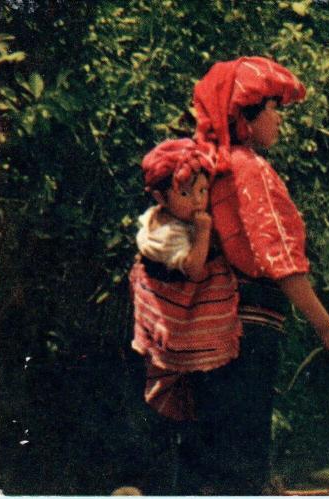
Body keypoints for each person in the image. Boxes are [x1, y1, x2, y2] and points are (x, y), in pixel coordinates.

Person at [192, 56, 329, 494]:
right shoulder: (250, 169)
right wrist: (327, 327)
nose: (279, 118)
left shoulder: (211, 166)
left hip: (210, 325)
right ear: (246, 116)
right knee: (244, 450)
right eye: (272, 107)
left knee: (212, 447)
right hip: (249, 328)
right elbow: (280, 260)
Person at [128, 138, 242, 492]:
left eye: (203, 191)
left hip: (191, 338)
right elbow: (193, 272)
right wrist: (206, 232)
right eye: (187, 194)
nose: (198, 201)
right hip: (180, 329)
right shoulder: (164, 234)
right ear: (160, 199)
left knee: (197, 420)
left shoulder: (181, 218)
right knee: (192, 419)